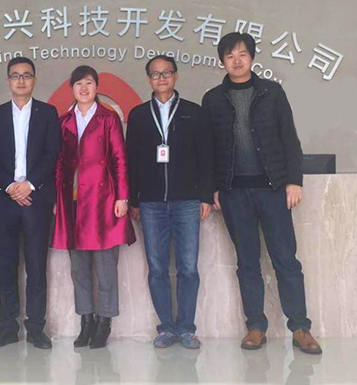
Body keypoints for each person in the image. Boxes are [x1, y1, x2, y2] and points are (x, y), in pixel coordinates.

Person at [202, 32, 322, 355]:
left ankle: (300, 327)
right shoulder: (213, 99)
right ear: (222, 61)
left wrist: (294, 180)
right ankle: (255, 327)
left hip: (273, 190)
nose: (237, 60)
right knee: (247, 263)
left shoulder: (272, 92)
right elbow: (208, 149)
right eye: (230, 56)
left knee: (286, 260)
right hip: (233, 193)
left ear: (252, 57)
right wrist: (212, 188)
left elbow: (289, 139)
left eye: (242, 54)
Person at [126, 56, 214, 349]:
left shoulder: (194, 112)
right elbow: (131, 160)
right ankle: (165, 328)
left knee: (188, 268)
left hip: (187, 201)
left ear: (175, 76)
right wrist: (134, 199)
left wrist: (205, 196)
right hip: (151, 203)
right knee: (157, 268)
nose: (161, 78)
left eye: (166, 73)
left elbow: (206, 157)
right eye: (155, 74)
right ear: (148, 79)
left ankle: (186, 328)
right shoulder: (138, 115)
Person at [53, 65, 135, 349]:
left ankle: (104, 322)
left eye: (89, 83)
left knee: (105, 266)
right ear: (72, 89)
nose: (84, 88)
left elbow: (120, 159)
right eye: (78, 84)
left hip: (103, 201)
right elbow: (59, 163)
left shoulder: (108, 118)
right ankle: (86, 320)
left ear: (97, 87)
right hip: (73, 200)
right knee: (79, 267)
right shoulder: (64, 121)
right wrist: (57, 199)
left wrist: (122, 197)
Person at [0, 57, 60, 350]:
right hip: (4, 200)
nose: (21, 80)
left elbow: (52, 153)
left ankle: (36, 328)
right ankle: (7, 328)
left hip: (36, 199)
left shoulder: (48, 113)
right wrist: (9, 186)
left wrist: (29, 185)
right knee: (6, 265)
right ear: (8, 81)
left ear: (34, 80)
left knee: (37, 266)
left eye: (27, 75)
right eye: (15, 76)